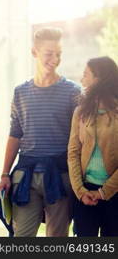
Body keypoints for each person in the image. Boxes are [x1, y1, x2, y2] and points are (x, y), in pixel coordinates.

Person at [0, 27, 81, 237]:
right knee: (22, 236)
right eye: (49, 54)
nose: (55, 59)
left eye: (59, 54)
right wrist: (5, 173)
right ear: (34, 52)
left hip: (61, 176)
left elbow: (80, 138)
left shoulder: (73, 92)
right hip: (26, 175)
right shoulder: (20, 92)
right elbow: (15, 134)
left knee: (57, 237)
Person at [68, 56, 118, 237]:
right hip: (85, 194)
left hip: (114, 195)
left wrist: (104, 192)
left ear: (99, 79)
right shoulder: (80, 112)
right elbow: (73, 153)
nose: (82, 80)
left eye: (86, 75)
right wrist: (81, 192)